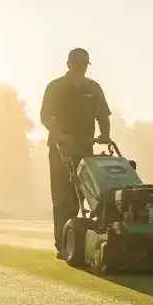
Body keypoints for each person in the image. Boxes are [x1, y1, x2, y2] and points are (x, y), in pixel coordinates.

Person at [40, 47, 112, 258]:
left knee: (89, 193)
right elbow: (46, 116)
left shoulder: (93, 87)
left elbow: (103, 115)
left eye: (84, 65)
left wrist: (105, 134)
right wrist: (60, 135)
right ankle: (63, 245)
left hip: (86, 147)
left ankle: (90, 239)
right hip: (60, 149)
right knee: (63, 196)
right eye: (78, 64)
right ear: (69, 64)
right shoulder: (55, 87)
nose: (81, 68)